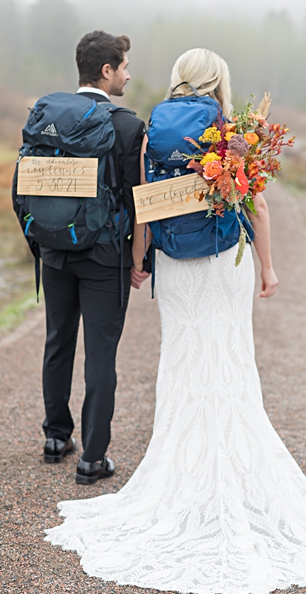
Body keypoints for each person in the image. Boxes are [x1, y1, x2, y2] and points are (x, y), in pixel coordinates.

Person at [44, 49, 306, 594]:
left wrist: (139, 260)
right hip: (221, 265)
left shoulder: (153, 127)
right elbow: (257, 209)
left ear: (178, 79)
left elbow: (146, 205)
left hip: (176, 270)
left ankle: (182, 476)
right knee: (230, 361)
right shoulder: (231, 131)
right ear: (218, 82)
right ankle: (232, 472)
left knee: (182, 361)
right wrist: (269, 266)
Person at [40, 31, 150, 484]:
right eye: (123, 66)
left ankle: (54, 437)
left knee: (57, 341)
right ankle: (92, 459)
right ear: (106, 70)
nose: (127, 74)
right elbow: (139, 202)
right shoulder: (127, 125)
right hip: (105, 256)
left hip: (53, 251)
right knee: (100, 356)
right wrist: (139, 260)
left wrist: (42, 243)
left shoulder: (48, 113)